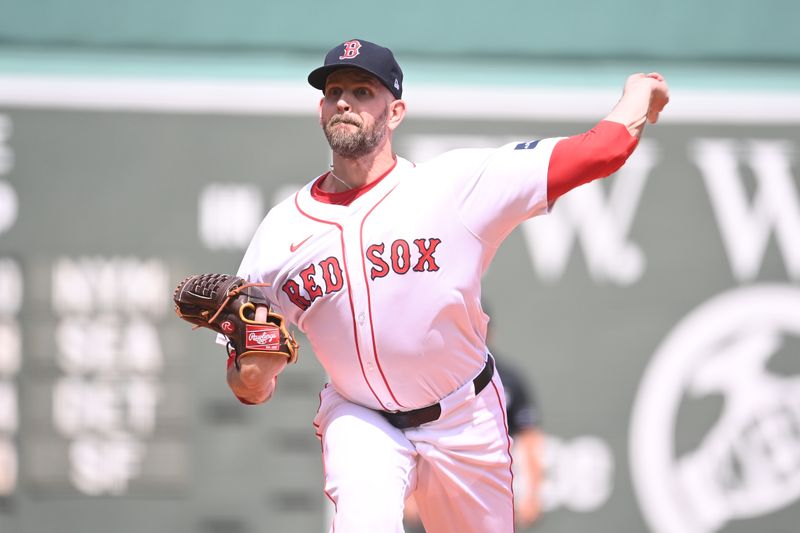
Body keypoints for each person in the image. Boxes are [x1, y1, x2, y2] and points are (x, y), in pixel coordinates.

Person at [224, 38, 669, 533]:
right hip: (359, 417)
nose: (345, 101)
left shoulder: (452, 187)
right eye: (334, 91)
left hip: (464, 417)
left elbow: (601, 151)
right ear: (321, 108)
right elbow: (250, 384)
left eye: (362, 91)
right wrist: (253, 373)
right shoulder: (280, 233)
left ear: (395, 112)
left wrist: (638, 92)